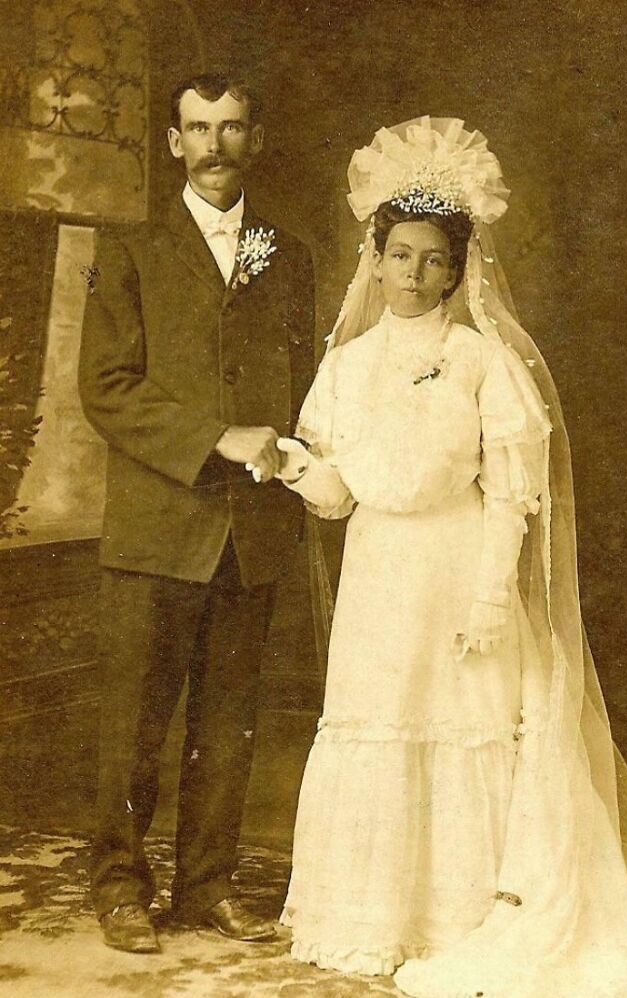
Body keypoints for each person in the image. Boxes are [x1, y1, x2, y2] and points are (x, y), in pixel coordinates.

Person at [274, 118, 627, 996]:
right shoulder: (346, 365)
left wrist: (494, 596)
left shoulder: (479, 359)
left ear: (459, 269)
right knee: (380, 718)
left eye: (434, 260)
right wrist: (293, 465)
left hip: (459, 567)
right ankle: (373, 918)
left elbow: (512, 487)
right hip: (381, 573)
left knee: (463, 724)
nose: (414, 275)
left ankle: (459, 917)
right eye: (399, 256)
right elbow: (338, 493)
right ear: (375, 257)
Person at [78, 73, 315, 954]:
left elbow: (305, 385)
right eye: (197, 128)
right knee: (136, 721)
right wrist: (218, 436)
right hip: (156, 526)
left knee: (227, 719)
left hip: (250, 533)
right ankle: (119, 889)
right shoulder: (128, 251)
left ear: (255, 139)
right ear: (174, 143)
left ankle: (207, 887)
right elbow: (104, 389)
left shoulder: (289, 256)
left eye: (232, 127)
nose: (215, 144)